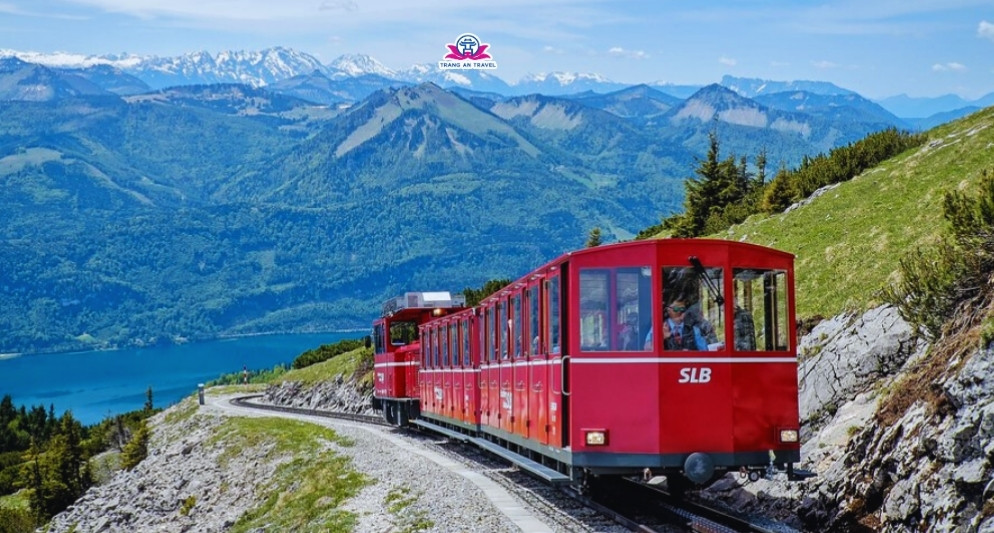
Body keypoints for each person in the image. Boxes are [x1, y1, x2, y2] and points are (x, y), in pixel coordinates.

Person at [644, 300, 709, 351]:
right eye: (676, 309)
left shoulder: (693, 329)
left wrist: (691, 353)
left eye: (682, 309)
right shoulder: (658, 327)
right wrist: (661, 338)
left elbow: (705, 351)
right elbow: (648, 350)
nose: (679, 312)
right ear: (668, 310)